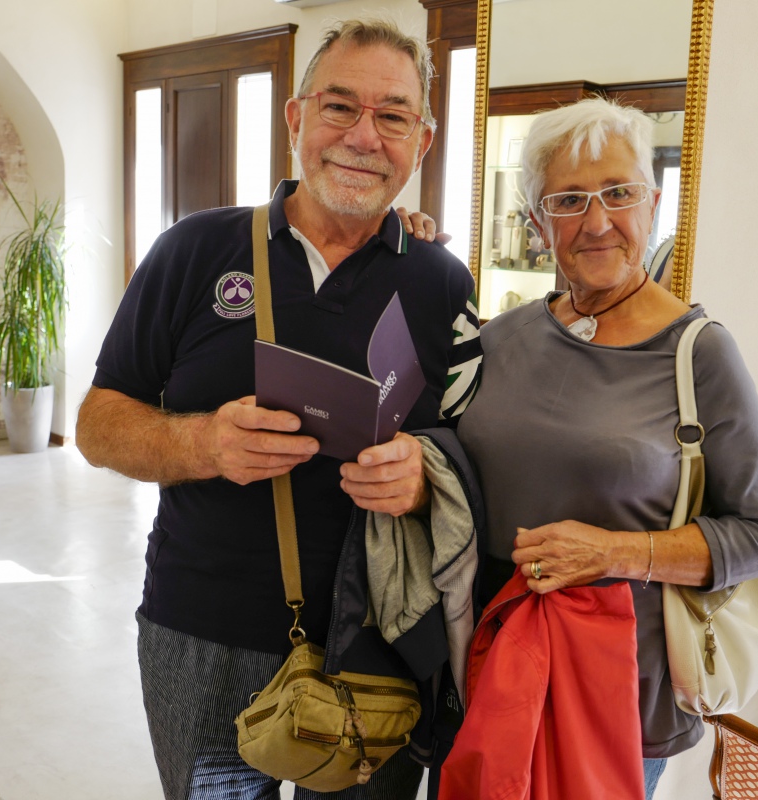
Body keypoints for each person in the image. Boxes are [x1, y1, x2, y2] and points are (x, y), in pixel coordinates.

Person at [75, 18, 481, 800]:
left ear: (422, 141)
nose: (363, 136)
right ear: (296, 118)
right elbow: (96, 426)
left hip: (379, 642)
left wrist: (424, 479)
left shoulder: (441, 282)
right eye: (340, 106)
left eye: (393, 116)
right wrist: (202, 444)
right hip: (204, 630)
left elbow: (473, 454)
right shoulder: (195, 249)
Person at [450, 97, 758, 797]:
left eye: (619, 193)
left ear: (653, 205)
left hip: (619, 693)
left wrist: (613, 553)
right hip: (490, 664)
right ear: (537, 222)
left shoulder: (698, 353)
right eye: (569, 200)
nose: (598, 221)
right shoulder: (502, 338)